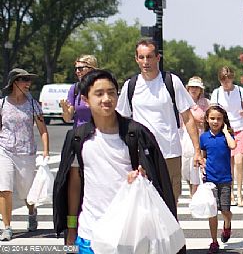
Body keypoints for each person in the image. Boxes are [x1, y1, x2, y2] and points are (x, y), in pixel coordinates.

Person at [53, 69, 177, 253]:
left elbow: (156, 177)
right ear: (86, 100)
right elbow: (74, 184)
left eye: (111, 92)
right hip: (89, 234)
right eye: (99, 94)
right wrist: (71, 228)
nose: (106, 98)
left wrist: (144, 175)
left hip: (128, 234)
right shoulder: (78, 138)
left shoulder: (135, 134)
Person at [116, 38, 200, 204]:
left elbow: (188, 118)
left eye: (149, 57)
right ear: (136, 59)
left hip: (170, 152)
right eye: (141, 57)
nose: (145, 61)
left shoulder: (171, 82)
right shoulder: (130, 86)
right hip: (142, 154)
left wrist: (197, 150)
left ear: (157, 58)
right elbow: (121, 120)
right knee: (145, 202)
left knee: (170, 203)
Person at [0, 68, 49, 241]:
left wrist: (46, 151)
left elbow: (43, 129)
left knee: (27, 191)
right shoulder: (2, 104)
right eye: (24, 80)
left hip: (27, 152)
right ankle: (7, 227)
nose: (28, 83)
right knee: (4, 188)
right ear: (14, 83)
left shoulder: (33, 104)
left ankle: (32, 212)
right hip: (4, 150)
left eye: (29, 80)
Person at [210, 66, 243, 207]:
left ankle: (240, 193)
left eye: (228, 79)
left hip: (239, 128)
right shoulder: (216, 93)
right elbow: (213, 111)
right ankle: (230, 192)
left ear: (232, 78)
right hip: (225, 130)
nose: (226, 83)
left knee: (239, 161)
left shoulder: (240, 91)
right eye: (223, 80)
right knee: (228, 164)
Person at [200, 104, 236, 254]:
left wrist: (226, 131)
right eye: (212, 118)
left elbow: (233, 146)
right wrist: (202, 166)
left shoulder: (227, 136)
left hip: (225, 179)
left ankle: (227, 224)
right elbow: (203, 156)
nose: (215, 121)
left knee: (225, 210)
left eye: (219, 119)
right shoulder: (204, 137)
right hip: (210, 180)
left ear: (223, 121)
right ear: (207, 120)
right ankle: (214, 241)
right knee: (212, 211)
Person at [182, 76, 210, 196]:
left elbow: (211, 118)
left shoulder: (206, 103)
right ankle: (191, 187)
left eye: (197, 87)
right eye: (192, 87)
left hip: (200, 135)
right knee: (185, 167)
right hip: (184, 136)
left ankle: (195, 192)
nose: (194, 89)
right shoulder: (182, 102)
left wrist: (202, 121)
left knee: (196, 166)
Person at [60, 54, 98, 127]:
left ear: (91, 69)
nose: (77, 72)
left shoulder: (101, 87)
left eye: (80, 68)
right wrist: (65, 110)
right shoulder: (75, 88)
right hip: (80, 134)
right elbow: (68, 119)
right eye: (76, 69)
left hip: (99, 134)